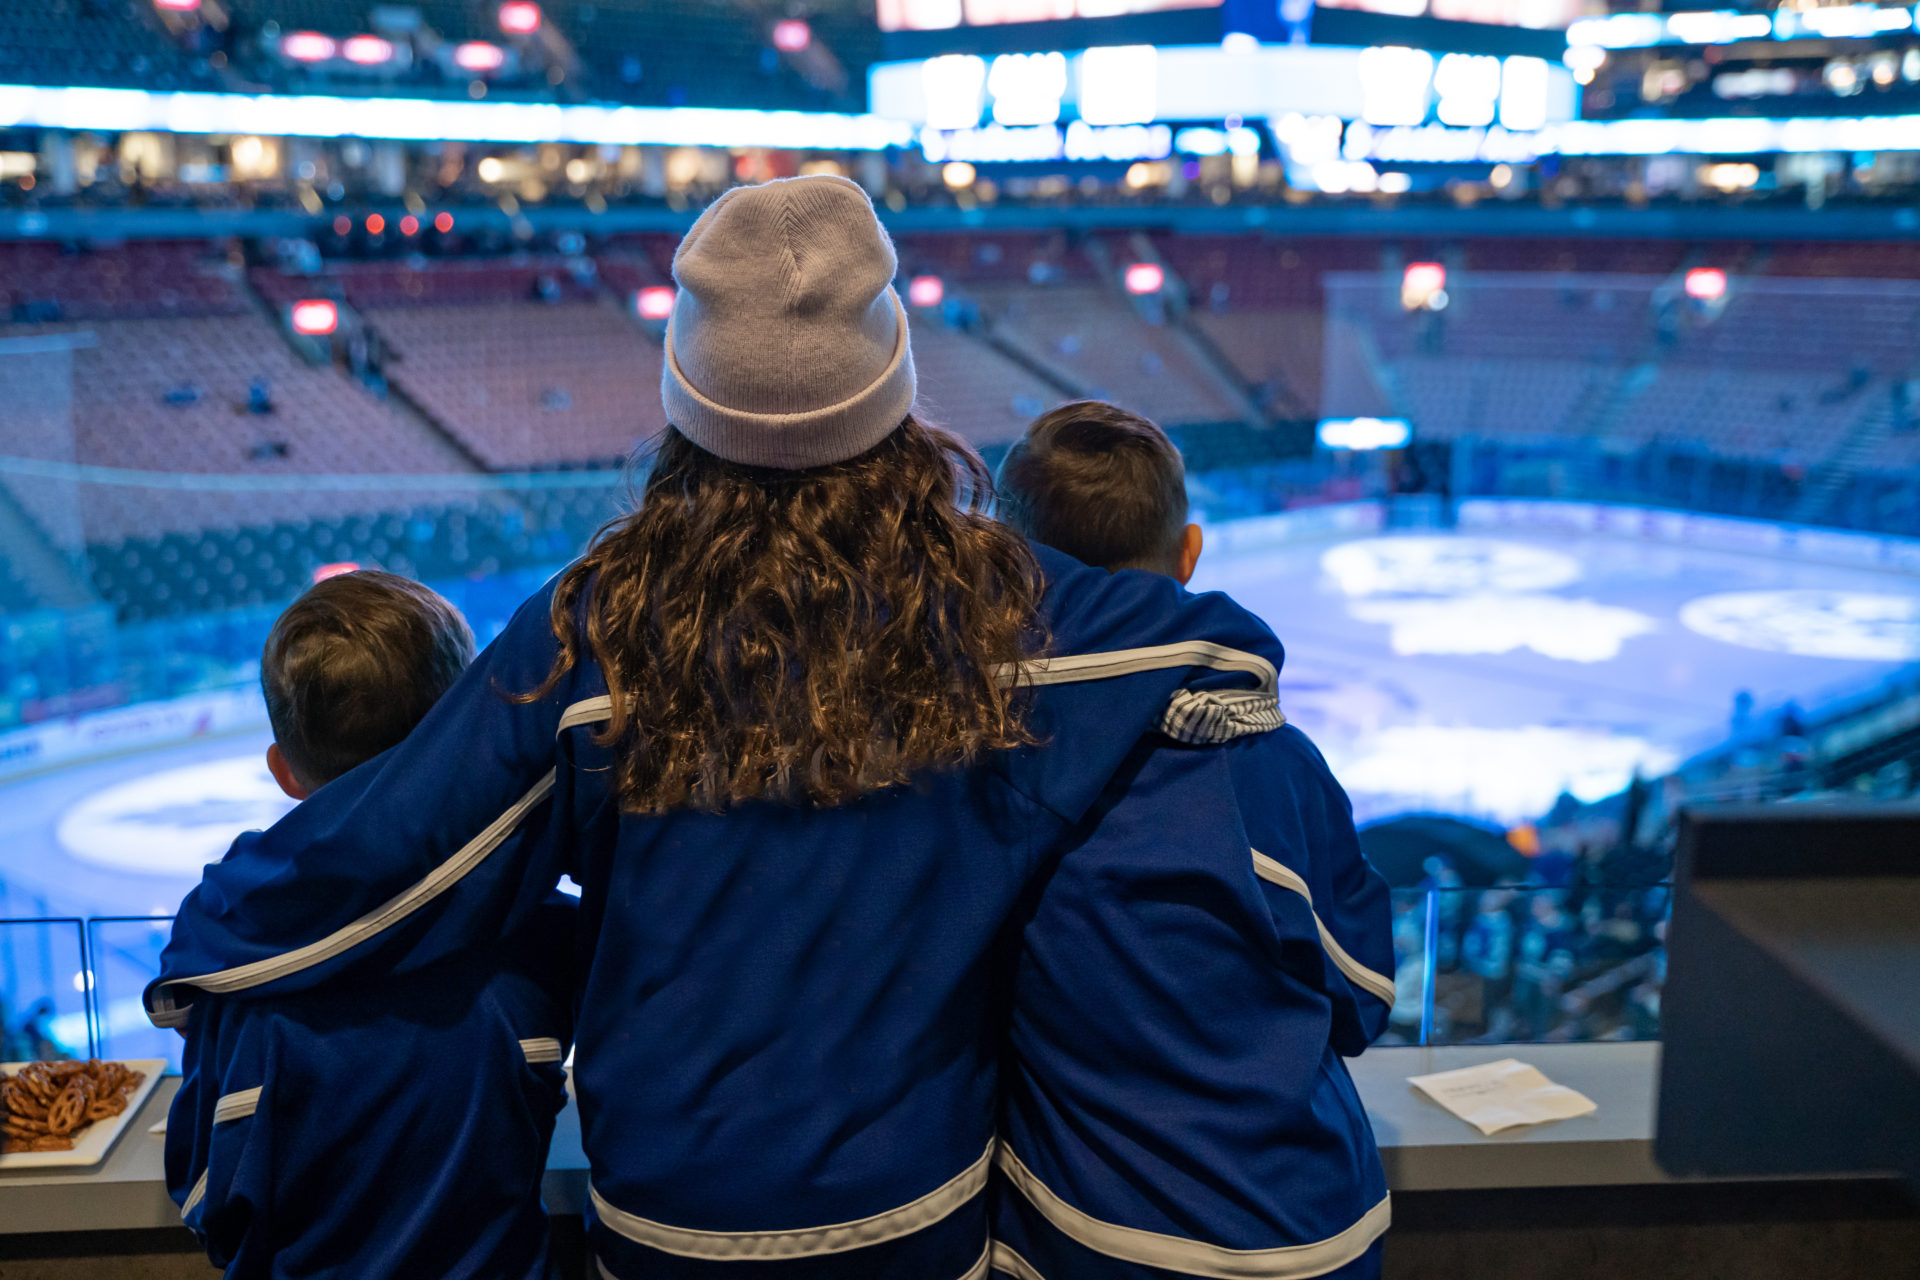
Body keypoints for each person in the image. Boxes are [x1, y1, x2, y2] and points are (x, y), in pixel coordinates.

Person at [148, 175, 1293, 1279]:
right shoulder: (1005, 611)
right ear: (891, 388)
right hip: (919, 1206)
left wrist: (205, 942)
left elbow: (386, 851)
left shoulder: (597, 631)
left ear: (688, 402)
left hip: (669, 1214)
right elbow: (1218, 650)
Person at [994, 401, 1395, 1278]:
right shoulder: (1275, 767)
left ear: (1007, 563)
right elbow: (1362, 995)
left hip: (1095, 1237)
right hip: (1313, 1229)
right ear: (1189, 555)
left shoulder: (985, 765)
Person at [164, 570, 575, 1280]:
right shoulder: (539, 942)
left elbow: (208, 1192)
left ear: (283, 771)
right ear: (464, 743)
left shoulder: (224, 965)